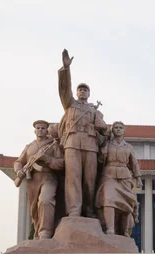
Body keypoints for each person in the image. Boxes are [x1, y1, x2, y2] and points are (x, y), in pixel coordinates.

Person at [57, 49, 108, 218]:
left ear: (89, 94)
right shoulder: (70, 104)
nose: (83, 92)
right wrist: (66, 69)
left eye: (85, 90)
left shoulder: (95, 111)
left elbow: (105, 130)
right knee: (73, 178)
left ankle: (89, 210)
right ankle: (74, 210)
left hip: (90, 145)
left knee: (89, 181)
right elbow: (64, 89)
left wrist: (101, 126)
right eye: (80, 90)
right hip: (72, 143)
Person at [14, 120, 64, 239]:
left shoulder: (53, 144)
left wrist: (47, 159)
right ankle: (38, 233)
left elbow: (61, 163)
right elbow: (18, 162)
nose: (40, 130)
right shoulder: (29, 147)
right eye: (38, 128)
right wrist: (19, 171)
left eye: (43, 128)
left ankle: (45, 232)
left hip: (48, 177)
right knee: (34, 210)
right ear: (35, 131)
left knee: (45, 200)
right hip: (32, 180)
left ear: (47, 130)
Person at [95, 121, 142, 236]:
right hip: (109, 174)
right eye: (115, 127)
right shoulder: (107, 145)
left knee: (127, 203)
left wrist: (138, 178)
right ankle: (110, 228)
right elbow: (100, 160)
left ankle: (124, 230)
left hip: (124, 176)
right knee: (109, 199)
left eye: (121, 127)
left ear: (124, 130)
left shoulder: (128, 147)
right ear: (112, 130)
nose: (118, 129)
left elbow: (134, 163)